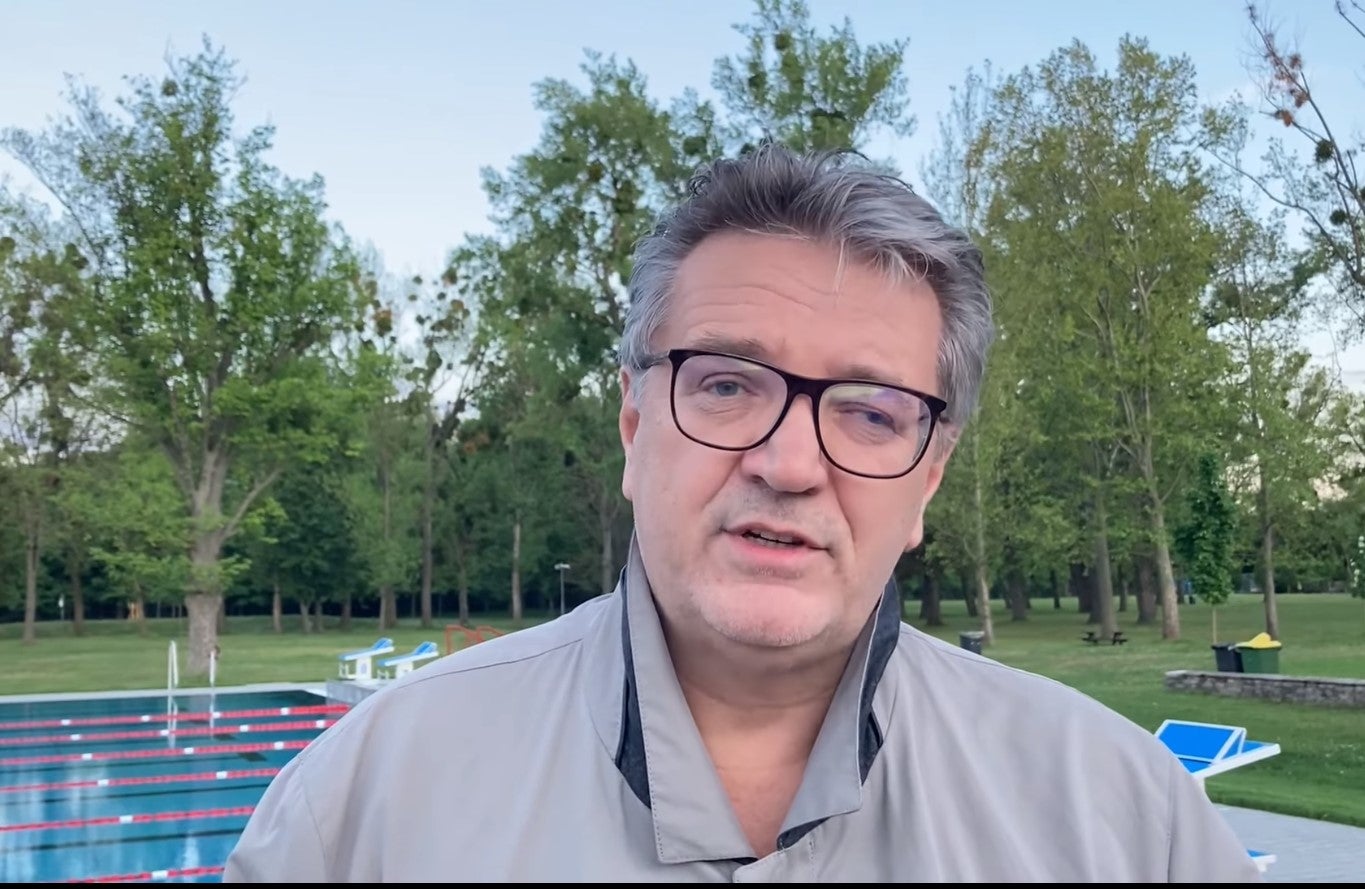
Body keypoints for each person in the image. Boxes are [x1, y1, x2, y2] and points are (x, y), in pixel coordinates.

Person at [223, 144, 1264, 882]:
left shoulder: (1124, 822)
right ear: (634, 424)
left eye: (870, 411)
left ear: (928, 479)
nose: (789, 463)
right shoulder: (364, 806)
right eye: (726, 384)